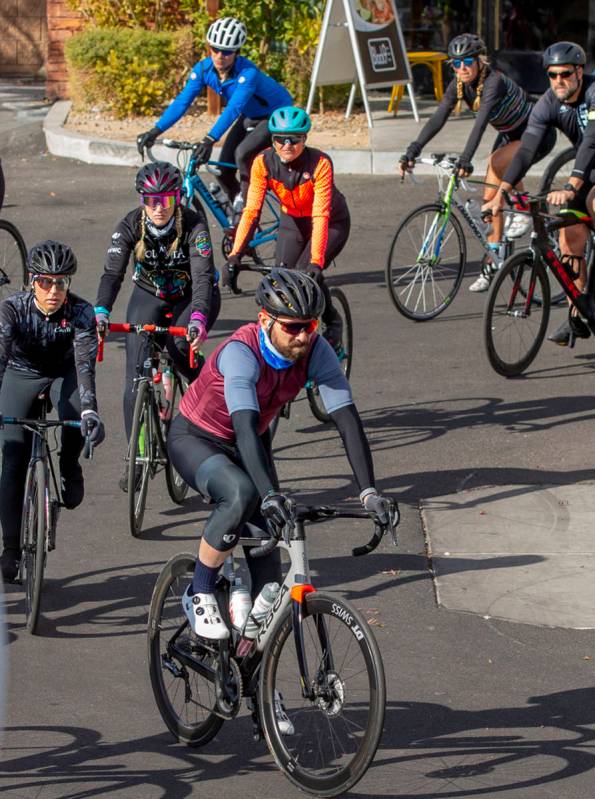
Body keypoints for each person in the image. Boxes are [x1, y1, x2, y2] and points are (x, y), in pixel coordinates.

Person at [167, 267, 396, 644]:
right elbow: (243, 427)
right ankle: (200, 589)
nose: (304, 335)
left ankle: (253, 674)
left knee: (271, 573)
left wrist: (369, 493)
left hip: (251, 443)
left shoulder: (316, 350)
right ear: (265, 320)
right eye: (292, 327)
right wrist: (268, 495)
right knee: (241, 493)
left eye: (310, 325)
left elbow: (347, 420)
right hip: (198, 439)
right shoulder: (242, 352)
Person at [94, 161, 220, 490]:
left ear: (177, 197)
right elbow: (112, 274)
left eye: (165, 199)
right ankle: (135, 457)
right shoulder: (129, 225)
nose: (158, 208)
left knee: (180, 349)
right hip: (149, 294)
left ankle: (205, 401)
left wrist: (197, 320)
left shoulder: (193, 225)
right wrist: (102, 311)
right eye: (151, 200)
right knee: (134, 374)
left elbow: (204, 277)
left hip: (191, 296)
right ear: (142, 201)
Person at [399, 33, 557, 292]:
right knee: (489, 197)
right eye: (456, 63)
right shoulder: (458, 85)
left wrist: (465, 159)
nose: (462, 68)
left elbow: (481, 123)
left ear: (480, 61)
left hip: (536, 133)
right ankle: (494, 258)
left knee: (496, 163)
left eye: (468, 61)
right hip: (510, 135)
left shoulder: (493, 82)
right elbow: (438, 117)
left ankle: (525, 214)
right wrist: (412, 150)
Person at [0, 241, 105, 582]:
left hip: (64, 372)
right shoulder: (12, 309)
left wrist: (90, 412)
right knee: (12, 457)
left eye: (61, 283)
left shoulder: (81, 313)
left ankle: (68, 464)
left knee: (74, 409)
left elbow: (85, 367)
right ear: (32, 281)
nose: (53, 291)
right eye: (45, 282)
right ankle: (11, 548)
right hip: (22, 371)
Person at [482, 41, 595, 345]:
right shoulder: (548, 103)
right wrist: (501, 193)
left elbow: (591, 143)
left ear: (579, 72)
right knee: (569, 237)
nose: (559, 80)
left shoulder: (593, 94)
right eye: (552, 75)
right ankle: (578, 313)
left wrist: (571, 185)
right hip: (588, 173)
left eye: (565, 74)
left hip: (588, 167)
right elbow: (527, 149)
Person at [136, 16, 292, 210]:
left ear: (237, 52)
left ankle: (249, 208)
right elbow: (182, 102)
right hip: (250, 115)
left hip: (277, 115)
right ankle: (238, 215)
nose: (219, 55)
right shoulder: (204, 69)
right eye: (215, 49)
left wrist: (209, 139)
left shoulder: (248, 73)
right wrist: (154, 131)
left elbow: (234, 108)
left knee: (242, 154)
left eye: (226, 52)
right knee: (221, 170)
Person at [226, 106, 349, 345]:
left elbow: (321, 215)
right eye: (280, 139)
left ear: (304, 139)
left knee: (305, 276)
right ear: (272, 139)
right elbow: (251, 212)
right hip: (292, 220)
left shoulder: (320, 163)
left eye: (294, 139)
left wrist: (315, 261)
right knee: (280, 281)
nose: (287, 145)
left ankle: (332, 319)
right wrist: (234, 255)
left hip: (332, 221)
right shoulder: (263, 162)